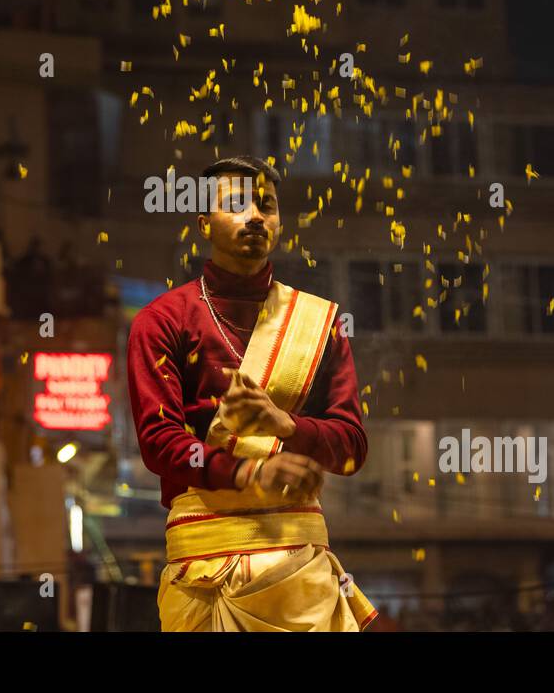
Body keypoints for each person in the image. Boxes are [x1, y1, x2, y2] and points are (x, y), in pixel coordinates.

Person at [126, 155, 375, 632]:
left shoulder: (318, 324)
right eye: (237, 205)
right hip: (205, 572)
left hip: (301, 572)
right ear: (203, 222)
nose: (256, 216)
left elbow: (353, 448)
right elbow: (160, 445)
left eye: (267, 205)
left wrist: (286, 426)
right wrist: (250, 472)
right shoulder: (161, 321)